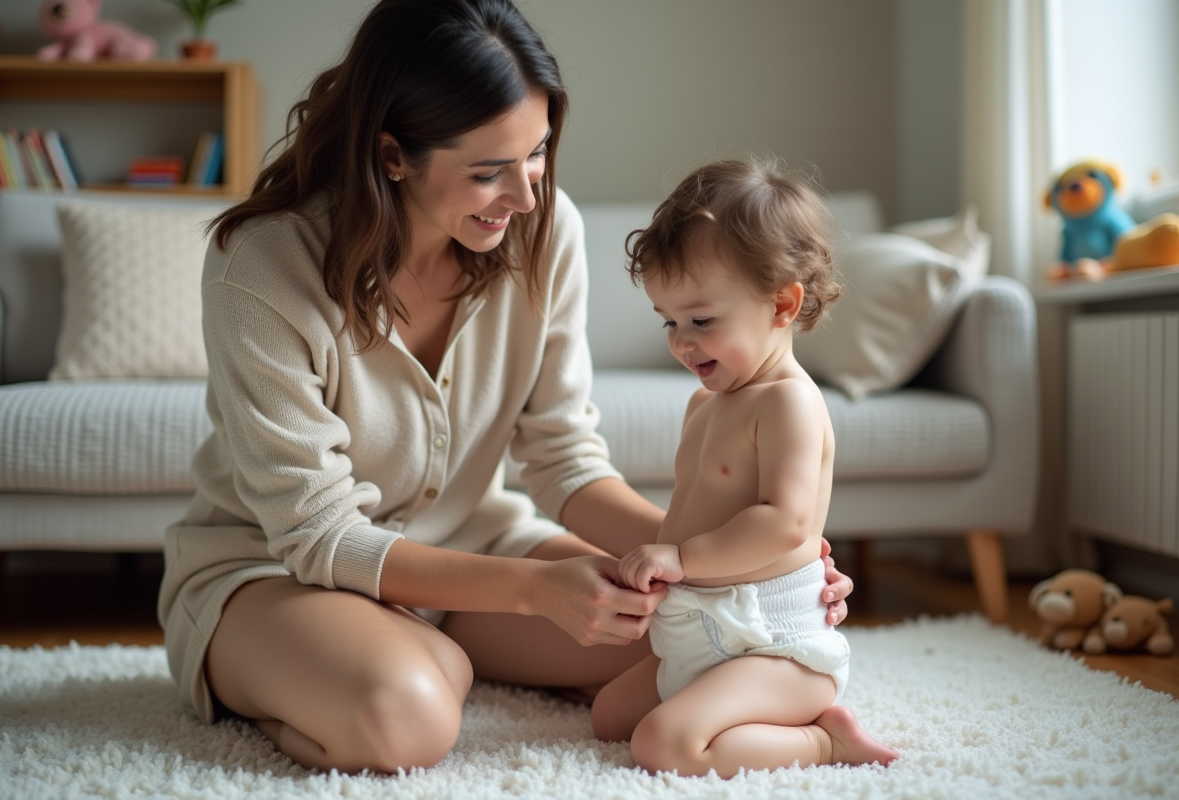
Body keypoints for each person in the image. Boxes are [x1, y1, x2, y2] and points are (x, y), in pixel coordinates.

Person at [156, 0, 855, 775]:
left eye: (538, 154)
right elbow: (317, 535)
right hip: (273, 572)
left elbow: (565, 461)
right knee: (408, 716)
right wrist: (530, 592)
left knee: (686, 640)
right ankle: (396, 663)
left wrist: (733, 569)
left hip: (475, 553)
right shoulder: (260, 268)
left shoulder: (546, 233)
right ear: (393, 155)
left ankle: (421, 650)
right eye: (488, 172)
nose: (525, 197)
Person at [591, 159, 898, 776]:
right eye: (669, 321)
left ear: (783, 305)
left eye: (701, 320)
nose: (681, 341)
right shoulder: (706, 403)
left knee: (663, 746)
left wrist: (680, 559)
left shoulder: (789, 401)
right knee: (607, 718)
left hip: (774, 641)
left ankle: (823, 741)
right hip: (698, 629)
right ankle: (741, 713)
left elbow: (786, 524)